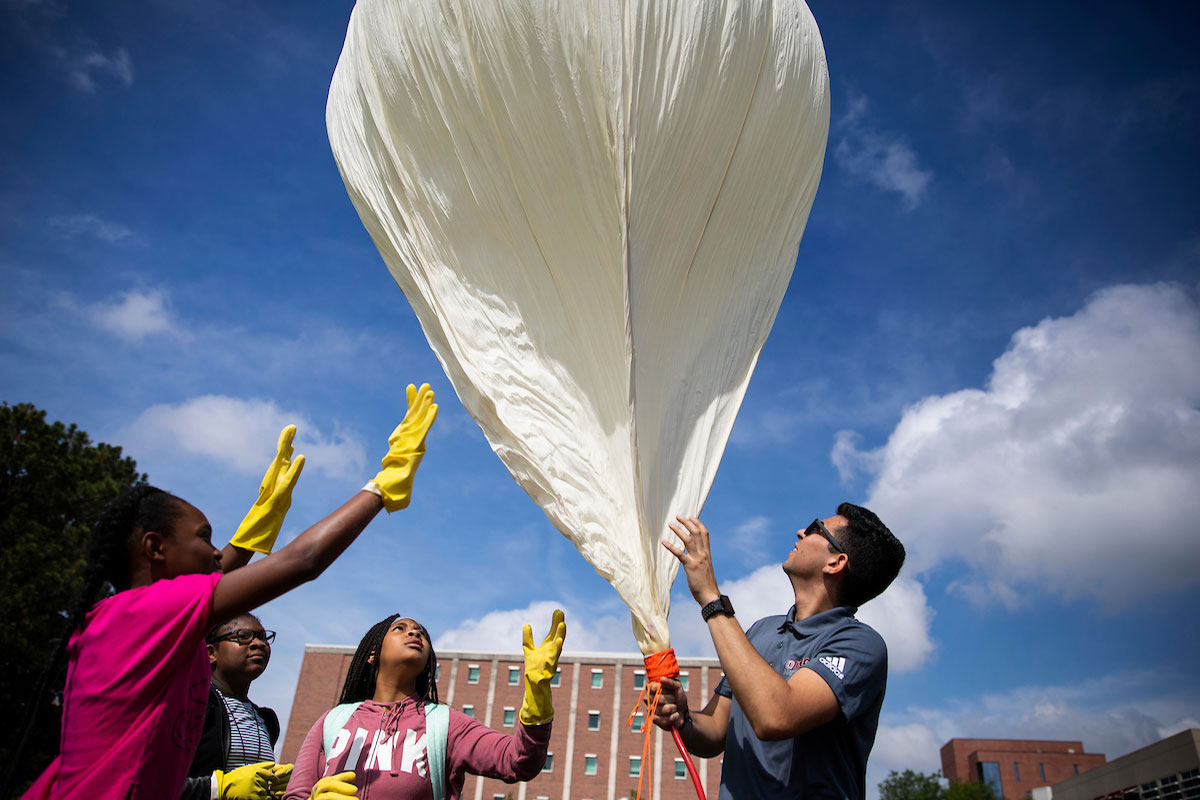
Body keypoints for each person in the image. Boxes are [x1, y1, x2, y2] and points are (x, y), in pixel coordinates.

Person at [18, 383, 438, 800]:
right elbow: (302, 562)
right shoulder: (139, 613)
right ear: (155, 548)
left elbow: (225, 570)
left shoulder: (155, 627)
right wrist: (383, 487)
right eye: (204, 538)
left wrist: (257, 528)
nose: (216, 552)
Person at [653, 503, 905, 800]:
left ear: (836, 562)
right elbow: (715, 732)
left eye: (815, 529)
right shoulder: (761, 631)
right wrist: (683, 718)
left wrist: (711, 598)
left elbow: (775, 716)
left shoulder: (860, 645)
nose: (801, 531)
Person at [284, 610, 566, 800]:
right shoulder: (332, 721)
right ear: (372, 655)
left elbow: (518, 761)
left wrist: (537, 692)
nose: (415, 634)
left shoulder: (444, 723)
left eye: (421, 633)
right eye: (400, 629)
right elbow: (295, 794)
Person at [180, 614, 289, 800]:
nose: (259, 643)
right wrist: (218, 788)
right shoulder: (191, 705)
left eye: (263, 637)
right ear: (211, 653)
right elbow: (154, 784)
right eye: (243, 636)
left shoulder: (267, 720)